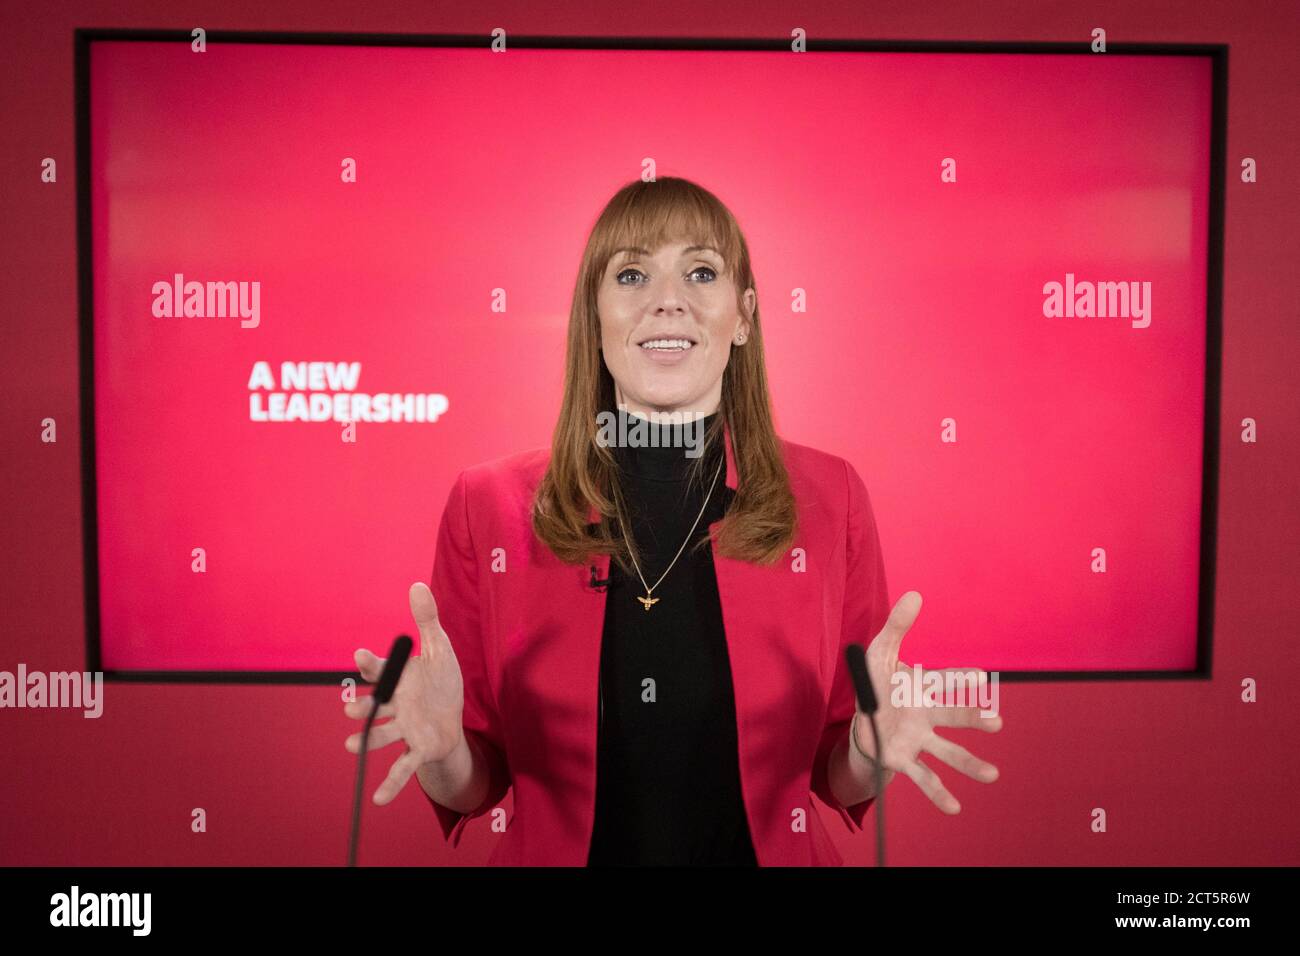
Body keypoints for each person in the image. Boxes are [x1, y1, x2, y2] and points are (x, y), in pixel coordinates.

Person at [343, 176, 1003, 865]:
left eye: (700, 271)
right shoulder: (487, 504)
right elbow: (471, 782)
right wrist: (444, 753)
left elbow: (842, 761)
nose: (668, 300)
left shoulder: (830, 495)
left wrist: (870, 755)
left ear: (743, 315)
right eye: (631, 274)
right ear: (593, 316)